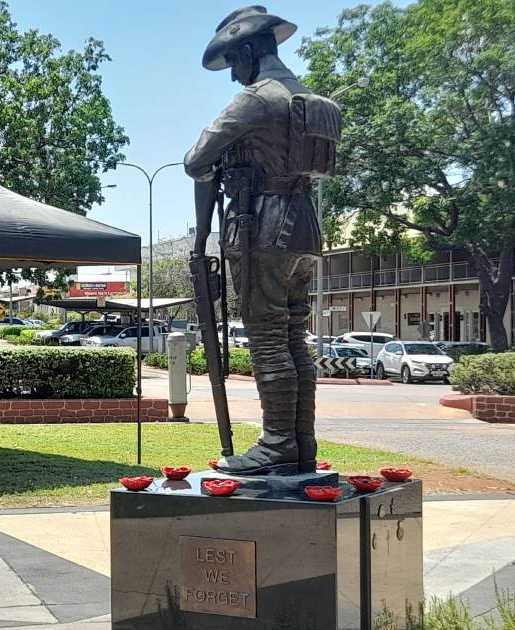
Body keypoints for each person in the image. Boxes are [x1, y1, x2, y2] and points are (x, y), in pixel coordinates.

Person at [184, 6, 341, 474]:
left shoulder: (258, 99)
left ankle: (276, 443)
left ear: (250, 50)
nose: (234, 75)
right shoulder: (311, 99)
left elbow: (196, 160)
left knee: (269, 339)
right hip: (305, 225)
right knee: (294, 337)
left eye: (235, 62)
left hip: (263, 226)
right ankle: (300, 443)